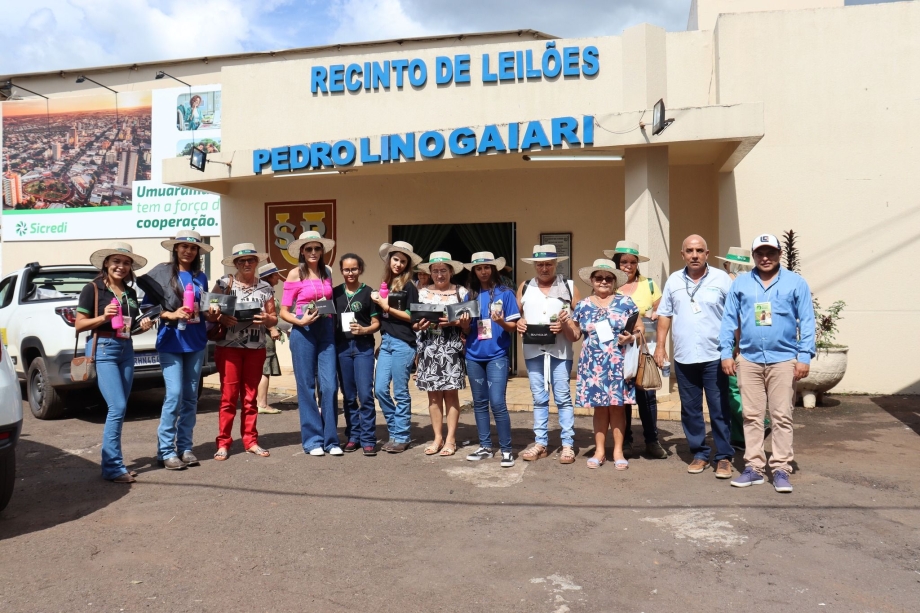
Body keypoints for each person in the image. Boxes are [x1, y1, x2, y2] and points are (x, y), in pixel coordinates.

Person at [721, 234, 815, 493]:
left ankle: (782, 469)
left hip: (783, 360)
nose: (765, 258)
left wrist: (804, 356)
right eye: (760, 253)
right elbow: (729, 320)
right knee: (751, 416)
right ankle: (753, 468)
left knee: (781, 416)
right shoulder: (740, 284)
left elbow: (806, 321)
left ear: (779, 254)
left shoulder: (796, 283)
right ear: (753, 256)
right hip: (749, 359)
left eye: (770, 252)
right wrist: (726, 354)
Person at [654, 235, 735, 479]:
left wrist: (734, 350)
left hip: (715, 355)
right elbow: (665, 314)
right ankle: (699, 453)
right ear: (682, 255)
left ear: (707, 253)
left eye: (699, 250)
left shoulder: (722, 279)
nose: (695, 255)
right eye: (689, 250)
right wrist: (660, 347)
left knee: (719, 408)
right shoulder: (674, 281)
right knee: (690, 410)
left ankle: (723, 457)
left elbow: (733, 315)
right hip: (685, 355)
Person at [75, 242, 154, 483]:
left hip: (126, 349)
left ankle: (114, 464)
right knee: (117, 407)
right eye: (116, 261)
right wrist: (103, 316)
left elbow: (128, 328)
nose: (121, 266)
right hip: (105, 349)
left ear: (131, 268)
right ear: (106, 263)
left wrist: (143, 327)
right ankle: (112, 467)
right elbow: (79, 324)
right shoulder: (93, 289)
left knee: (120, 409)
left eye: (126, 262)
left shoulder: (130, 293)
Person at [141, 230, 212, 471]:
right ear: (175, 249)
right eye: (183, 246)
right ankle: (166, 450)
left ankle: (185, 447)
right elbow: (148, 308)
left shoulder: (200, 277)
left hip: (196, 341)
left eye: (193, 248)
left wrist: (210, 311)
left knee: (191, 396)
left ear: (198, 252)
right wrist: (170, 314)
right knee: (174, 394)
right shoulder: (161, 273)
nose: (188, 251)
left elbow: (203, 308)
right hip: (171, 341)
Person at [210, 243, 278, 461]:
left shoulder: (266, 287)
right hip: (229, 348)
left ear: (257, 262)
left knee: (250, 398)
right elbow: (208, 312)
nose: (246, 264)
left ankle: (250, 441)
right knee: (228, 397)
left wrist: (268, 320)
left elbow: (273, 317)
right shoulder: (224, 283)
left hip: (255, 348)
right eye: (242, 261)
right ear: (236, 264)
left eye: (250, 260)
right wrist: (221, 317)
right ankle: (223, 443)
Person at [516, 244, 581, 464]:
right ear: (534, 265)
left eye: (549, 264)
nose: (544, 268)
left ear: (556, 264)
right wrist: (520, 323)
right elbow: (517, 317)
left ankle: (567, 445)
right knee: (539, 398)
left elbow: (579, 324)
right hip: (534, 351)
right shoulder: (525, 287)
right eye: (540, 264)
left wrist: (564, 325)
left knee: (562, 397)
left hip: (560, 351)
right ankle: (541, 442)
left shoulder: (569, 286)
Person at [279, 231, 340, 456]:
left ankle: (332, 440)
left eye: (317, 248)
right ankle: (313, 440)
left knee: (330, 386)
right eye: (308, 249)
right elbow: (283, 312)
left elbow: (329, 301)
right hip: (302, 331)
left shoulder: (327, 272)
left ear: (322, 251)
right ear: (302, 252)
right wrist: (300, 320)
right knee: (306, 387)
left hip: (326, 331)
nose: (313, 253)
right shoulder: (295, 274)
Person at [572, 259, 637, 470]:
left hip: (619, 361)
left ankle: (617, 451)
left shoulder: (626, 302)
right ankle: (599, 451)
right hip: (593, 365)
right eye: (599, 277)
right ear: (592, 280)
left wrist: (631, 337)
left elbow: (640, 328)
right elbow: (574, 335)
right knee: (600, 408)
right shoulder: (582, 305)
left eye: (608, 278)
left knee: (617, 408)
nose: (603, 281)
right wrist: (564, 323)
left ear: (614, 281)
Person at [606, 240, 668, 460]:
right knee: (622, 397)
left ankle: (652, 440)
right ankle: (627, 441)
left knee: (647, 395)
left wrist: (656, 313)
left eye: (633, 262)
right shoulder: (609, 283)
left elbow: (663, 310)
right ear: (616, 263)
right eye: (624, 262)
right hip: (617, 350)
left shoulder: (649, 284)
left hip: (643, 347)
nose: (628, 266)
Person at [461, 252, 521, 467]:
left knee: (497, 402)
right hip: (473, 355)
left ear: (493, 269)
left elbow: (513, 327)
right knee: (479, 403)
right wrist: (465, 325)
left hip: (497, 356)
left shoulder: (505, 294)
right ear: (474, 272)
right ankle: (485, 447)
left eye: (487, 267)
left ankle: (506, 450)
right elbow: (466, 330)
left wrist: (502, 322)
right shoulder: (469, 296)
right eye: (479, 268)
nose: (483, 271)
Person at [413, 252, 470, 457]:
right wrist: (419, 324)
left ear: (451, 271)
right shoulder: (421, 293)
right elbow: (415, 322)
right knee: (434, 397)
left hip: (451, 348)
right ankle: (437, 437)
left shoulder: (462, 292)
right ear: (430, 273)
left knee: (451, 395)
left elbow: (468, 324)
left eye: (443, 270)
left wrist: (456, 322)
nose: (439, 275)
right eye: (435, 271)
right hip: (429, 347)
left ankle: (451, 439)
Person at [371, 241, 423, 453]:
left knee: (400, 392)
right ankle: (395, 430)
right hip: (386, 342)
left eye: (403, 261)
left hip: (404, 342)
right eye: (395, 259)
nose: (398, 264)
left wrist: (386, 307)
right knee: (380, 389)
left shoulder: (410, 286)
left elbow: (413, 316)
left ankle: (401, 436)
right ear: (389, 259)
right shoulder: (386, 282)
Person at [333, 253, 381, 457]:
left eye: (354, 269)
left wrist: (364, 330)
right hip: (342, 348)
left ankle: (369, 438)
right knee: (349, 396)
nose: (350, 273)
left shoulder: (368, 293)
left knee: (365, 394)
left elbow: (377, 323)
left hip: (363, 349)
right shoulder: (334, 293)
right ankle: (353, 436)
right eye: (346, 269)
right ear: (341, 270)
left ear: (360, 269)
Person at [715, 246, 759, 449]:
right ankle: (739, 437)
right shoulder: (752, 283)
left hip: (734, 341)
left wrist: (737, 344)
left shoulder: (735, 283)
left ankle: (759, 424)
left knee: (733, 388)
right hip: (737, 340)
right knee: (736, 388)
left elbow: (737, 317)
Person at [255, 261, 287, 415]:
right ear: (269, 277)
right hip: (264, 336)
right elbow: (262, 314)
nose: (279, 278)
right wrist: (273, 328)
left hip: (264, 334)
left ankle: (259, 401)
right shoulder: (264, 292)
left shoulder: (266, 291)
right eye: (276, 275)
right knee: (264, 369)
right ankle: (262, 403)